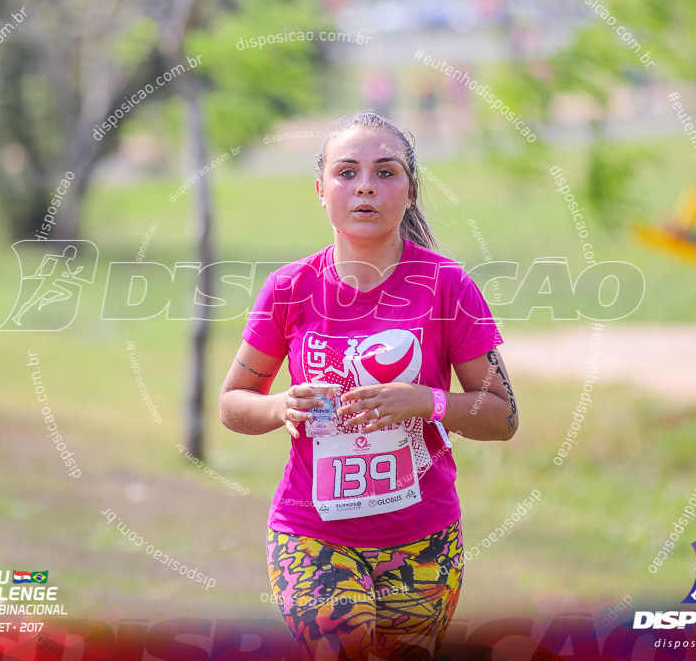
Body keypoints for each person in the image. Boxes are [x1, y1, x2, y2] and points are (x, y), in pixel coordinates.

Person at [219, 112, 519, 660]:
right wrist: (281, 406)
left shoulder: (447, 286)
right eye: (346, 172)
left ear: (410, 191)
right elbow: (234, 404)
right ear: (320, 189)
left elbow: (503, 416)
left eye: (385, 172)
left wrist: (426, 402)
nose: (364, 186)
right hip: (311, 532)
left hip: (424, 534)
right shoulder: (289, 288)